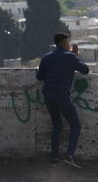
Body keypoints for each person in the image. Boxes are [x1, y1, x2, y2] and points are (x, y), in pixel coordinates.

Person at [36, 32, 90, 168]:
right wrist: (75, 56)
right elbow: (85, 70)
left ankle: (54, 158)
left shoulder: (46, 57)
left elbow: (39, 76)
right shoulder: (71, 57)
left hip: (48, 94)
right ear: (66, 44)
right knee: (76, 125)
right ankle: (70, 156)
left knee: (57, 125)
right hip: (62, 95)